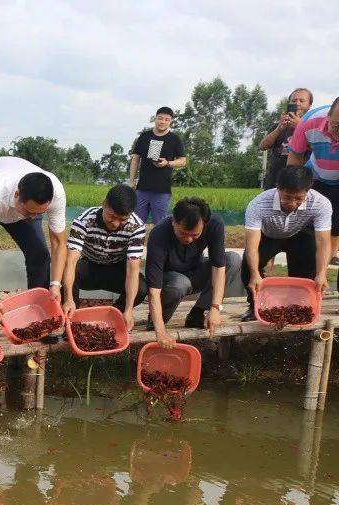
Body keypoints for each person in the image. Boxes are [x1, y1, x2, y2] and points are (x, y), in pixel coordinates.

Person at [0, 156, 69, 327]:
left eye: (39, 213)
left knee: (39, 255)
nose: (34, 217)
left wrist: (55, 284)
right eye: (30, 212)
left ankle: (39, 323)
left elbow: (59, 243)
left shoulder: (56, 194)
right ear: (17, 195)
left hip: (15, 199)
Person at [144, 198, 241, 348]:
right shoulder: (159, 234)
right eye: (183, 233)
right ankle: (156, 320)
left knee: (233, 259)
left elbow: (218, 267)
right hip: (170, 282)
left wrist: (215, 308)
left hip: (195, 272)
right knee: (179, 283)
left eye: (195, 235)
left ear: (204, 225)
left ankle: (197, 313)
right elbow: (154, 290)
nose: (188, 239)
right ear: (173, 222)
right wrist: (160, 330)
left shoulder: (214, 224)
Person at [240, 166, 332, 319]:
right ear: (278, 188)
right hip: (269, 235)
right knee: (248, 266)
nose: (293, 203)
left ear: (308, 191)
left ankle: (298, 305)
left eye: (299, 198)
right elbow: (252, 244)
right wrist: (255, 273)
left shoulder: (321, 203)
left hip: (299, 233)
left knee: (307, 267)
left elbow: (323, 241)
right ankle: (254, 304)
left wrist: (321, 273)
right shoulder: (258, 204)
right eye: (288, 197)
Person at [60, 184, 147, 329]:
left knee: (141, 288)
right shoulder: (84, 220)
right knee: (65, 272)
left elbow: (132, 269)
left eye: (122, 219)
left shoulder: (136, 228)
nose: (116, 223)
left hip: (117, 269)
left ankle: (114, 317)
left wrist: (129, 310)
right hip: (90, 266)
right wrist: (68, 298)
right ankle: (71, 318)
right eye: (112, 216)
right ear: (104, 204)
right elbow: (71, 261)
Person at [287, 96, 339, 272]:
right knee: (304, 232)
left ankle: (322, 272)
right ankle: (301, 281)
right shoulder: (310, 121)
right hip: (315, 179)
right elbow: (294, 158)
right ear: (328, 117)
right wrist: (294, 191)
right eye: (336, 126)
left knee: (334, 232)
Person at [129, 107, 187, 224]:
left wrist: (168, 163)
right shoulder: (144, 136)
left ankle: (159, 243)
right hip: (142, 188)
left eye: (167, 119)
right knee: (136, 223)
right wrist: (132, 180)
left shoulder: (174, 139)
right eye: (160, 118)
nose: (162, 122)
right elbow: (135, 159)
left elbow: (183, 161)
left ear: (171, 122)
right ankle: (136, 242)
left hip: (162, 190)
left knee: (160, 224)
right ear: (155, 119)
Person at [261, 88, 313, 190]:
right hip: (275, 181)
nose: (297, 103)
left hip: (301, 183)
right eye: (294, 101)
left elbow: (317, 149)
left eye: (302, 101)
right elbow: (263, 146)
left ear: (310, 105)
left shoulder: (312, 127)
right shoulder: (280, 125)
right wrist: (278, 129)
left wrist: (300, 127)